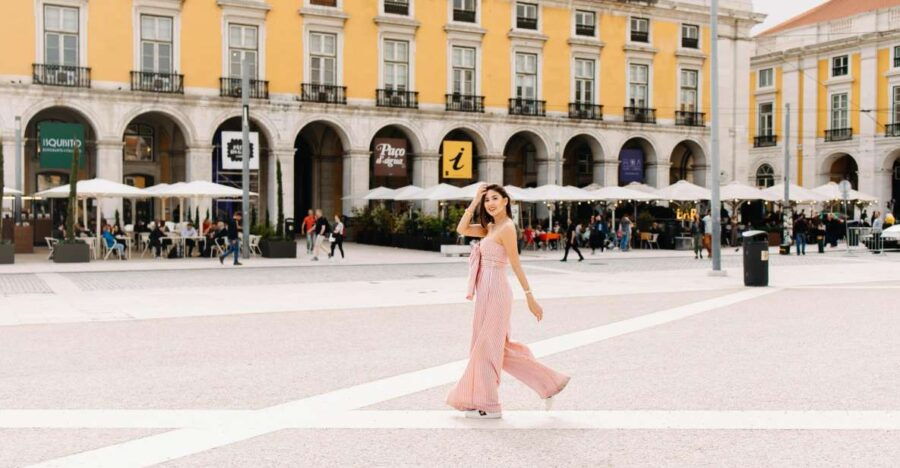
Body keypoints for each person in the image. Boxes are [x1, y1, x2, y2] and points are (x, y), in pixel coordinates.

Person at [446, 183, 570, 419]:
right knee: (495, 348)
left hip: (497, 291)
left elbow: (515, 263)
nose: (490, 203)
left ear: (505, 201)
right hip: (485, 290)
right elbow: (462, 228)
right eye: (487, 200)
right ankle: (549, 383)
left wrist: (530, 297)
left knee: (486, 347)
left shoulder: (507, 228)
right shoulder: (490, 227)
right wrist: (474, 201)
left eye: (495, 198)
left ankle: (488, 404)